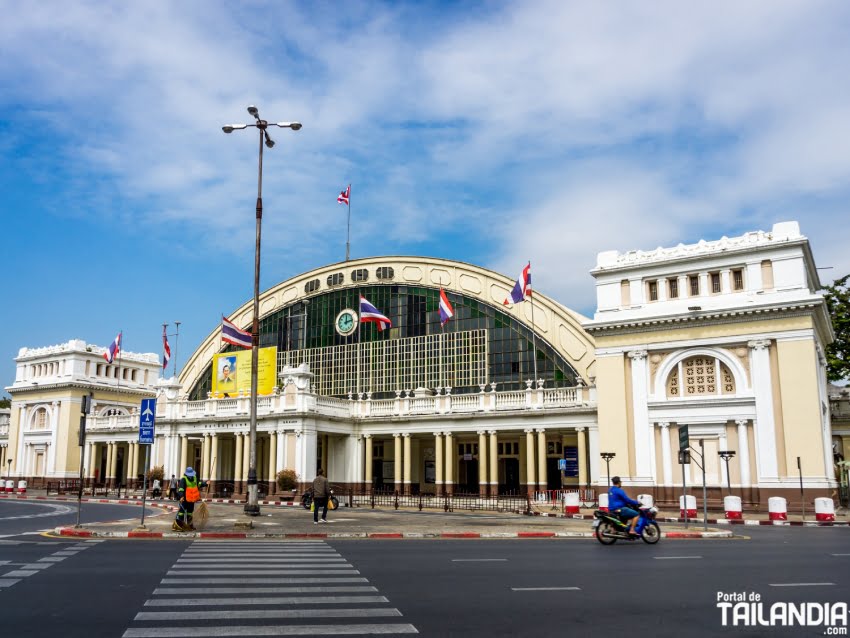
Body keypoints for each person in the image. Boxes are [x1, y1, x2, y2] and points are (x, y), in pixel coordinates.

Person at [173, 467, 207, 531]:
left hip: (191, 500)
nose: (190, 476)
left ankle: (189, 526)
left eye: (191, 475)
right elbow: (181, 489)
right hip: (184, 499)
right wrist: (181, 496)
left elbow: (199, 484)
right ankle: (180, 526)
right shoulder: (183, 479)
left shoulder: (194, 478)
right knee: (181, 513)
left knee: (190, 513)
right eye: (189, 475)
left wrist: (205, 484)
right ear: (186, 474)